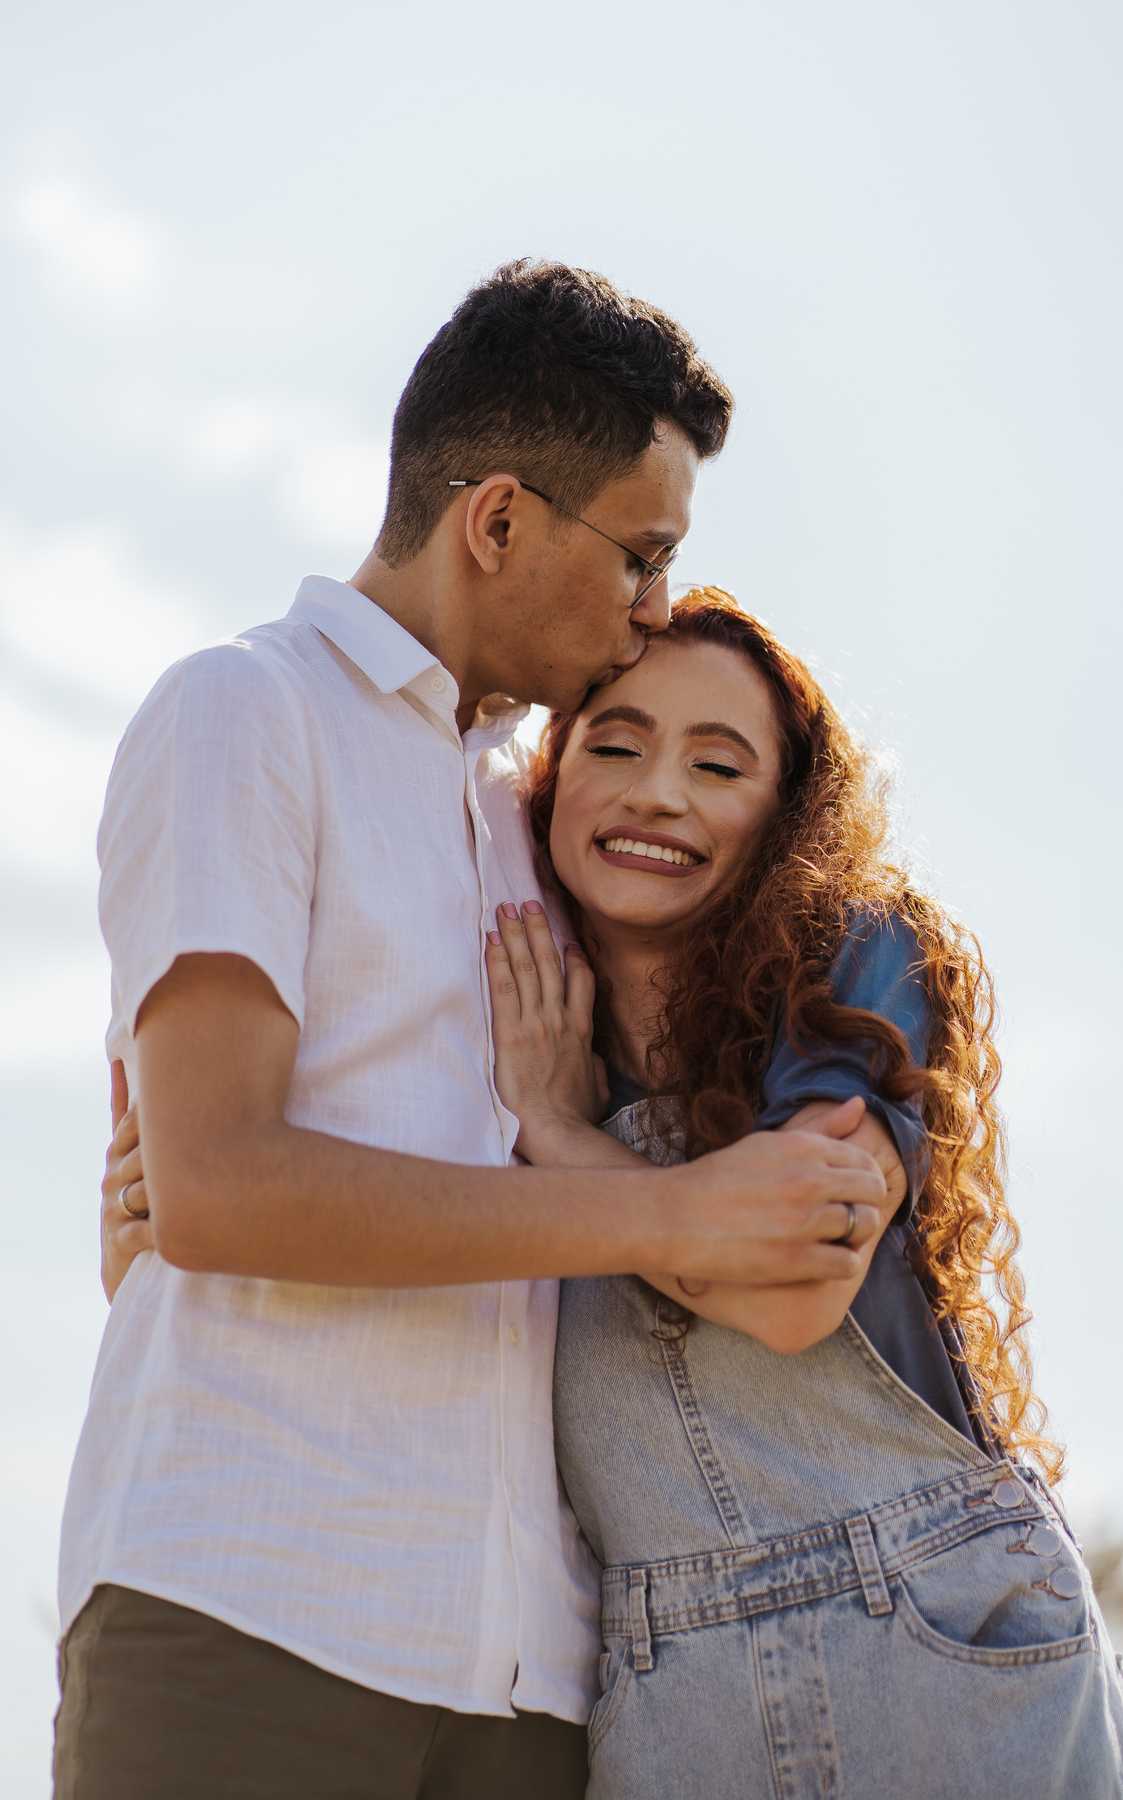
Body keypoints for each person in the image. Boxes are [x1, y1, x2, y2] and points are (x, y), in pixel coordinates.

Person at [58, 263, 893, 1799]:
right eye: (643, 557)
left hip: (533, 1685)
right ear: (497, 521)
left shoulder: (535, 812)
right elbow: (222, 1186)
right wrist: (669, 1213)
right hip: (252, 1613)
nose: (655, 610)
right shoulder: (245, 713)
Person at [477, 588, 1123, 1798]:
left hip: (939, 1633)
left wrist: (559, 1137)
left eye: (718, 766)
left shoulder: (861, 962)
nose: (657, 792)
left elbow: (791, 1293)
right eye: (613, 745)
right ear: (552, 783)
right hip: (668, 1694)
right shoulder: (498, 1033)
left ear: (784, 816)